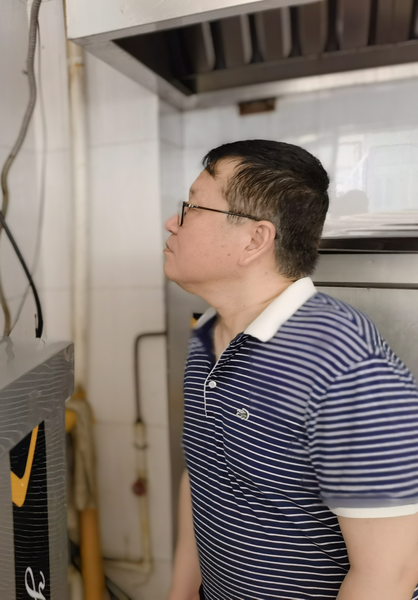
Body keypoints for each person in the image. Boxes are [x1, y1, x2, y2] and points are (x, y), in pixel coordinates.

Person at [163, 140, 418, 600]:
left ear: (255, 240)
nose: (172, 222)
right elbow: (202, 476)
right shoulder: (208, 334)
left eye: (192, 208)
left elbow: (389, 574)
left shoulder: (345, 366)